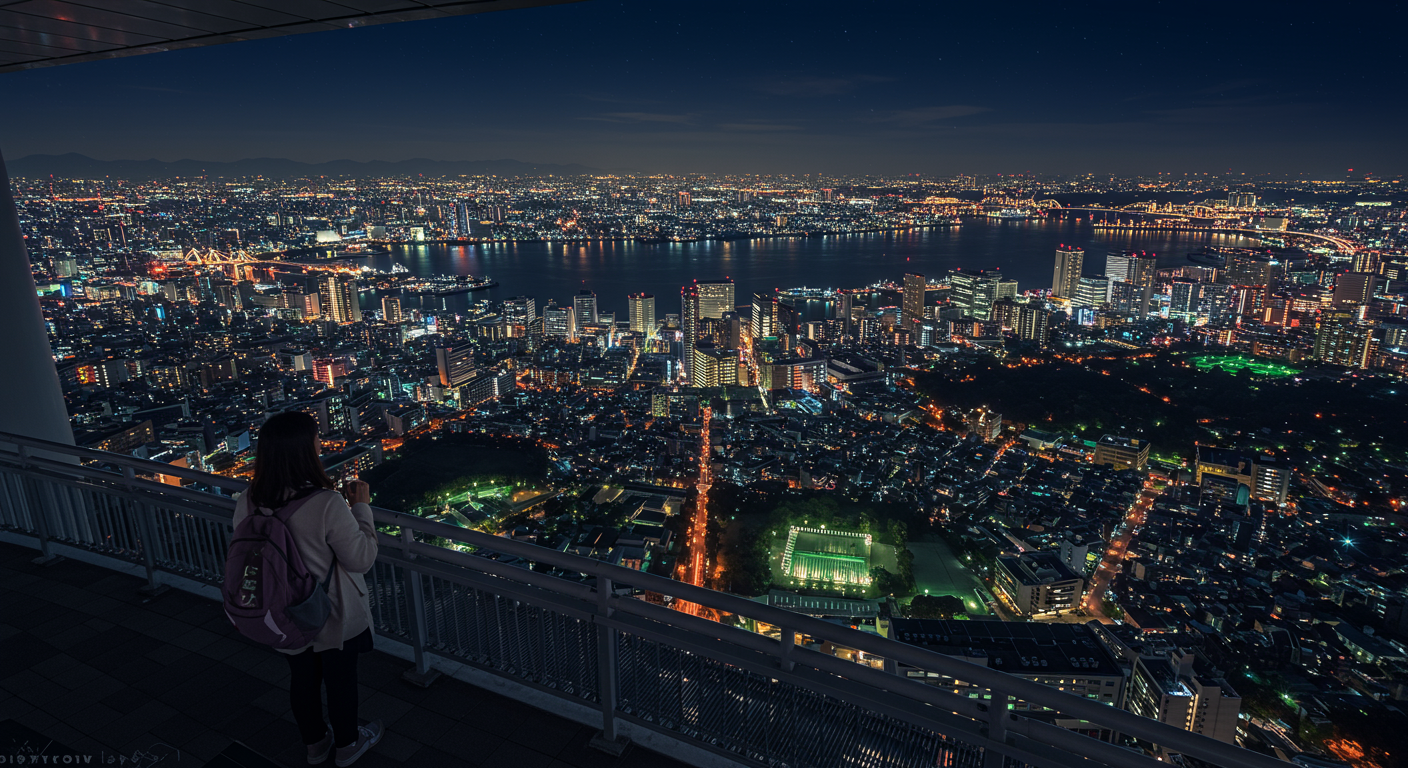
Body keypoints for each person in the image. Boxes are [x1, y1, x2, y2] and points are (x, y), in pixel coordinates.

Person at [232, 412, 383, 766]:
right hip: (330, 611)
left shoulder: (249, 500)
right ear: (305, 451)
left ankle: (315, 744)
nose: (320, 445)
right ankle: (348, 745)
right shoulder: (326, 503)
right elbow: (361, 558)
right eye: (316, 440)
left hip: (281, 610)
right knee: (340, 680)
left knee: (302, 679)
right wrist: (361, 507)